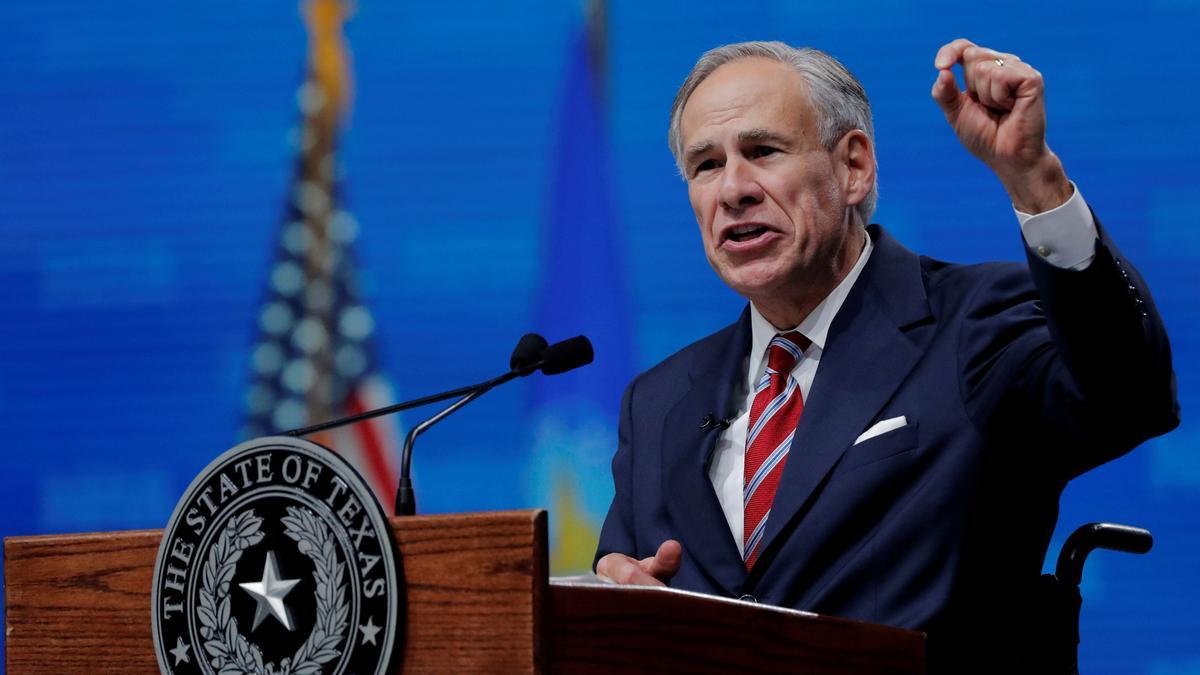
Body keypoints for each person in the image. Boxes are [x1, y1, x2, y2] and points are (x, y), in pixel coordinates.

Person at [593, 39, 1178, 671]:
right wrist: (613, 595)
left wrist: (1035, 179)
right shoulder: (657, 402)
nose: (733, 189)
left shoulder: (972, 322)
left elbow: (1129, 396)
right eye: (706, 165)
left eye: (762, 151)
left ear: (853, 167)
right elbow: (622, 584)